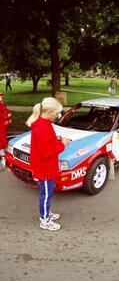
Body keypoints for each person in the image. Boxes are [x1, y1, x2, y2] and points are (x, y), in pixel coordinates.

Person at [26, 97, 69, 231]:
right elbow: (47, 153)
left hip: (43, 166)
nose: (57, 116)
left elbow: (45, 145)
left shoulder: (42, 124)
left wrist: (56, 140)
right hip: (45, 168)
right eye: (56, 113)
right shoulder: (44, 128)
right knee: (46, 195)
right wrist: (62, 144)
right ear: (49, 111)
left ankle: (46, 213)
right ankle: (44, 219)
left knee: (47, 193)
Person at [0, 92, 11, 161]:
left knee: (3, 134)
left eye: (1, 96)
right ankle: (1, 148)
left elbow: (5, 111)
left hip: (2, 122)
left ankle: (4, 146)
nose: (1, 98)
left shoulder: (2, 103)